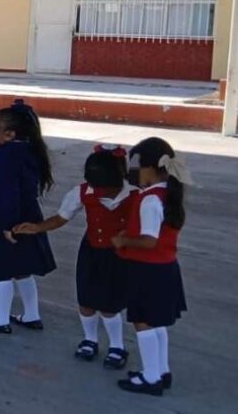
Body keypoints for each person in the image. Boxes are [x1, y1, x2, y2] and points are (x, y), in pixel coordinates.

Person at [14, 145, 137, 368]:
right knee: (86, 300)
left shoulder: (135, 193)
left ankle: (117, 345)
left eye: (106, 189)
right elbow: (62, 217)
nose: (101, 193)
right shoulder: (82, 192)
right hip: (91, 251)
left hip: (119, 254)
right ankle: (90, 339)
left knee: (110, 304)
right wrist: (37, 228)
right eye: (96, 187)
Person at [112, 137, 190, 396]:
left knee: (143, 322)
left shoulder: (150, 200)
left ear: (150, 168)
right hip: (165, 267)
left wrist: (123, 239)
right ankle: (160, 370)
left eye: (137, 166)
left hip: (147, 270)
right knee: (157, 323)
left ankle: (150, 377)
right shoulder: (168, 192)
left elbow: (148, 240)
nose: (134, 172)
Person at [0, 101, 57, 334]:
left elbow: (9, 192)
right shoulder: (28, 151)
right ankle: (31, 314)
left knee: (2, 270)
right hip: (28, 215)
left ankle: (0, 320)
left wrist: (8, 225)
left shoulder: (5, 156)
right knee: (22, 269)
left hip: (7, 219)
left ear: (9, 134)